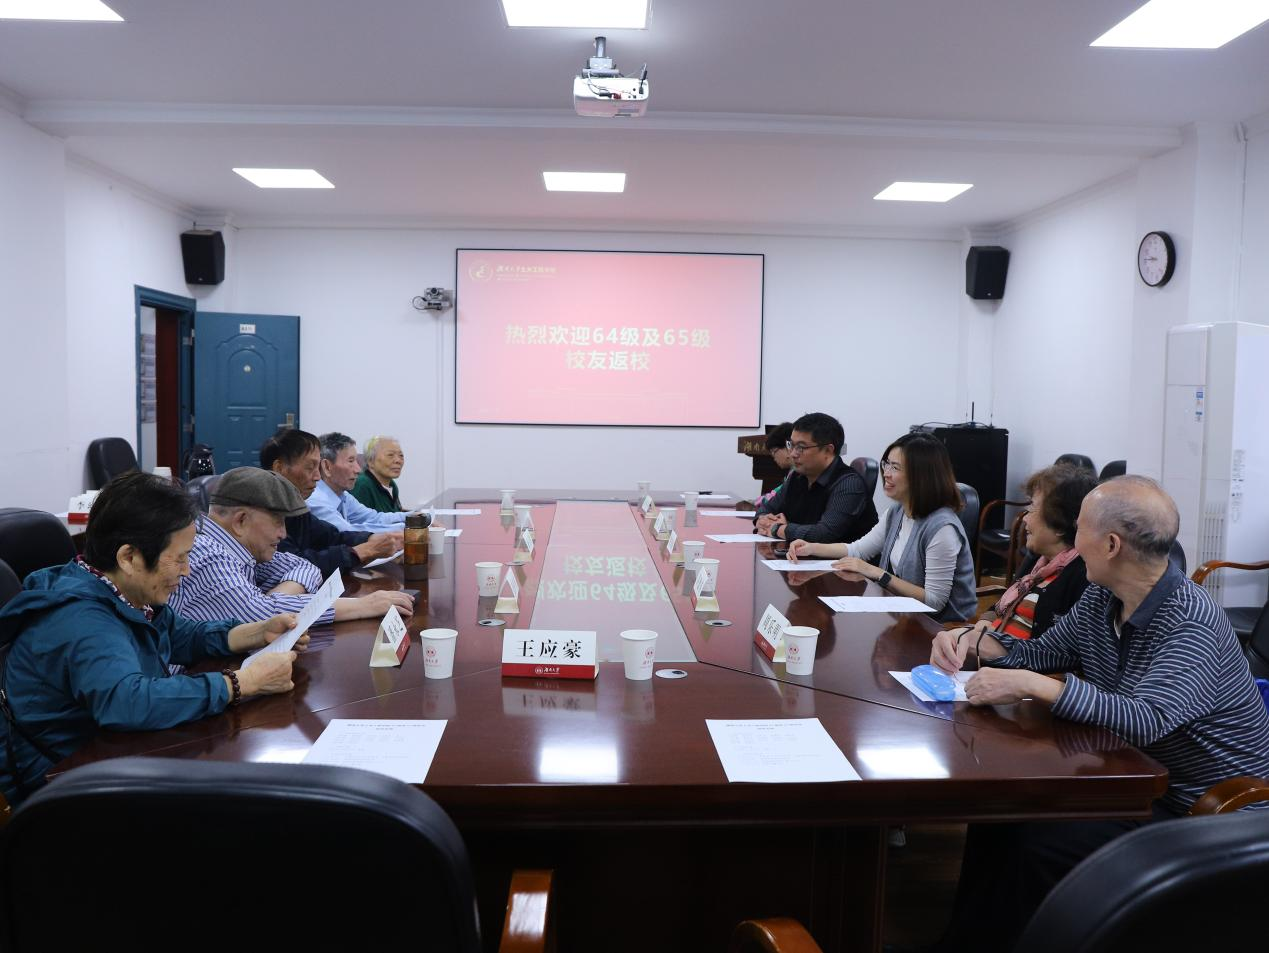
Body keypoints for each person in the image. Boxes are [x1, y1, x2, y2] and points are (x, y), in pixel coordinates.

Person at [928, 476, 1269, 953]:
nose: (1073, 541)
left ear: (1111, 545)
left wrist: (1036, 686)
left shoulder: (1191, 621)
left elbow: (1147, 718)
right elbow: (1042, 653)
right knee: (1000, 814)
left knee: (1040, 843)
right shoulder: (1102, 597)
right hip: (1135, 775)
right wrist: (973, 642)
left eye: (1081, 529)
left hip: (1201, 804)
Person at [0, 472, 304, 806]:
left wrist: (258, 632)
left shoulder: (121, 591)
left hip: (114, 758)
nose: (186, 570)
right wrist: (242, 682)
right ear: (129, 558)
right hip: (62, 791)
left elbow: (181, 636)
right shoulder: (82, 620)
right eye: (179, 558)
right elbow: (128, 702)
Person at [169, 467, 413, 624]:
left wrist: (274, 599)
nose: (283, 533)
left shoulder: (240, 547)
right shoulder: (207, 553)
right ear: (241, 521)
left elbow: (306, 567)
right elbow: (259, 617)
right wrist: (363, 605)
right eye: (278, 521)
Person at [788, 431, 976, 622]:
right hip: (903, 616)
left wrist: (877, 573)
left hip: (941, 626)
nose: (886, 473)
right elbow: (858, 550)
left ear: (921, 475)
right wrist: (811, 547)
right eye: (886, 464)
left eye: (895, 467)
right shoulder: (897, 511)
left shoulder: (942, 528)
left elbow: (935, 602)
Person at [957, 463, 1098, 642]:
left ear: (1060, 524)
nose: (1025, 518)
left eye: (1032, 508)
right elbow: (1005, 603)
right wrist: (981, 628)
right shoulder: (1039, 561)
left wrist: (982, 645)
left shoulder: (1082, 577)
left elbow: (1051, 649)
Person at [261, 428, 402, 576]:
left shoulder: (295, 507)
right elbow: (295, 565)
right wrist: (361, 551)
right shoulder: (262, 512)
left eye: (317, 468)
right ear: (279, 468)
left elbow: (332, 536)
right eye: (310, 467)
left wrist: (370, 538)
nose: (317, 477)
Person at [753, 412, 877, 543]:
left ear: (828, 450)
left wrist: (777, 529)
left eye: (801, 447)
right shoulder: (797, 476)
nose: (793, 454)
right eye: (791, 445)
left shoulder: (849, 484)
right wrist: (762, 520)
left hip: (838, 556)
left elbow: (824, 533)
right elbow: (767, 507)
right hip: (800, 553)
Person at [307, 432, 409, 534]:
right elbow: (348, 533)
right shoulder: (316, 501)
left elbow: (374, 518)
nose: (358, 469)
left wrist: (413, 517)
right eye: (351, 461)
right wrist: (408, 528)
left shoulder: (343, 495)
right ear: (327, 467)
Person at [352, 435, 407, 513]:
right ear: (370, 461)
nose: (398, 460)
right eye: (390, 455)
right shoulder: (362, 485)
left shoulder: (392, 485)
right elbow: (359, 519)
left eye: (401, 455)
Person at [754, 422, 794, 509]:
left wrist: (762, 500)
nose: (774, 458)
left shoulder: (797, 472)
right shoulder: (792, 472)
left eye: (774, 452)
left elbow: (777, 495)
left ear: (788, 446)